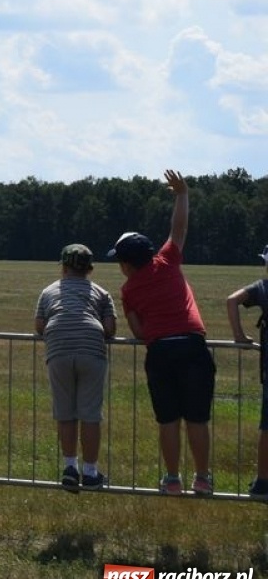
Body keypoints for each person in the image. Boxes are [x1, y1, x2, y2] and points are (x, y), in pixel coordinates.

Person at [109, 169, 215, 496]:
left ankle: (172, 480)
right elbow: (178, 228)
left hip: (160, 352)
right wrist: (182, 194)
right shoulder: (168, 260)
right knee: (197, 419)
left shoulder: (128, 290)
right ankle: (202, 478)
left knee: (168, 420)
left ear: (127, 264)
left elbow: (139, 331)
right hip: (192, 346)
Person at [35, 243, 117, 491]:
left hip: (58, 348)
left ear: (63, 267)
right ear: (90, 269)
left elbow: (39, 325)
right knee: (90, 414)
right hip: (91, 348)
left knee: (65, 412)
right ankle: (90, 472)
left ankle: (70, 468)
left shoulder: (48, 291)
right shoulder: (102, 293)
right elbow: (110, 328)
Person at [224, 244, 268, 503]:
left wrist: (239, 336)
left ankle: (263, 481)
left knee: (267, 426)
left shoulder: (263, 287)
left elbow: (232, 300)